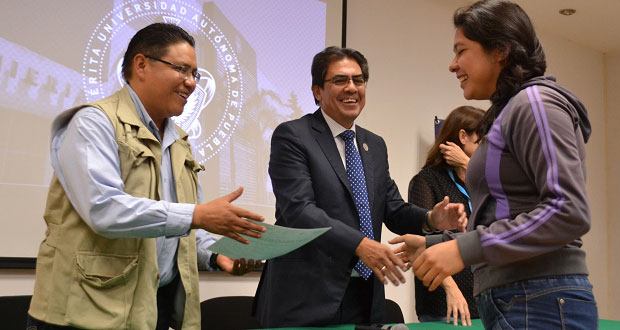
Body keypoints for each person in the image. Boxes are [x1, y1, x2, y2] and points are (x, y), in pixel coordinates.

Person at [27, 23, 266, 330]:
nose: (192, 83)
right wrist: (197, 215)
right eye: (182, 69)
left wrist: (217, 256)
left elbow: (188, 229)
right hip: (86, 313)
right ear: (141, 64)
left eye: (195, 74)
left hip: (152, 309)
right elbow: (105, 210)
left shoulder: (179, 141)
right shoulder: (94, 123)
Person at [391, 0, 598, 328]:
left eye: (461, 51)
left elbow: (568, 211)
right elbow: (508, 217)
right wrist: (439, 243)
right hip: (521, 297)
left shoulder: (535, 104)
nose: (452, 65)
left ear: (500, 50)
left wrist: (462, 251)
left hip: (538, 297)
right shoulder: (512, 111)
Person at [252, 46, 467, 328]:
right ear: (318, 91)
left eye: (359, 80)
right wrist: (360, 245)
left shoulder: (374, 145)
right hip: (306, 297)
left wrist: (430, 219)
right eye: (340, 80)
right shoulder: (293, 136)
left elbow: (391, 207)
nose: (352, 88)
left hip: (365, 295)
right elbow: (299, 211)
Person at [408, 106, 484, 325]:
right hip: (445, 303)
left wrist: (469, 166)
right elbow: (420, 246)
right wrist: (452, 288)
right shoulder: (427, 180)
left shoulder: (480, 182)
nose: (487, 150)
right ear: (462, 137)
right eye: (482, 143)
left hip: (484, 298)